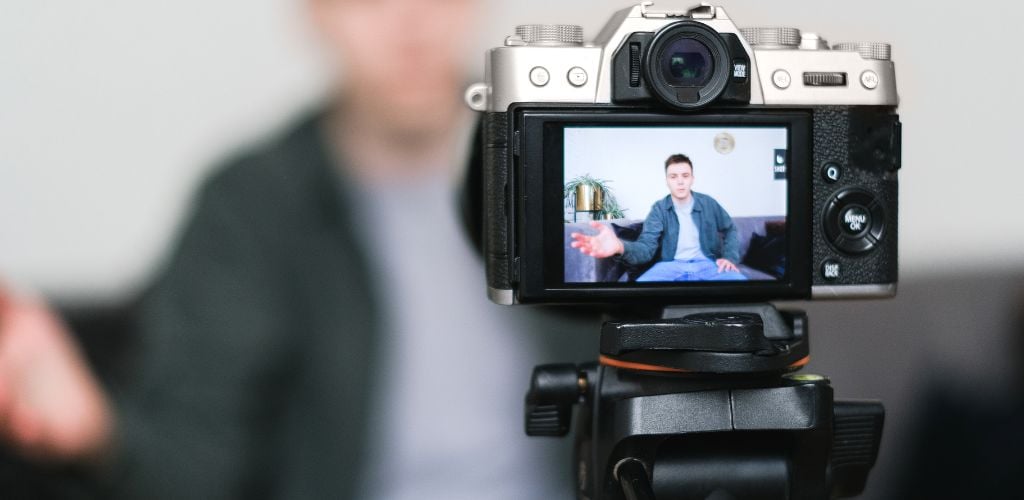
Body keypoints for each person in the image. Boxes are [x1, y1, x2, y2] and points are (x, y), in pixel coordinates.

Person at [0, 0, 595, 498]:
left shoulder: (576, 167)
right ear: (314, 13)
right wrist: (96, 430)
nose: (410, 22)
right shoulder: (250, 207)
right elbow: (199, 461)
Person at [570, 153, 746, 282]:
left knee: (741, 286)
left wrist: (729, 257)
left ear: (692, 178)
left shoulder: (708, 203)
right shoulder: (659, 209)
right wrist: (619, 246)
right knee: (639, 292)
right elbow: (646, 249)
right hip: (669, 266)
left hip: (708, 264)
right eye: (673, 176)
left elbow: (730, 228)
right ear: (667, 181)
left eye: (685, 176)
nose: (680, 181)